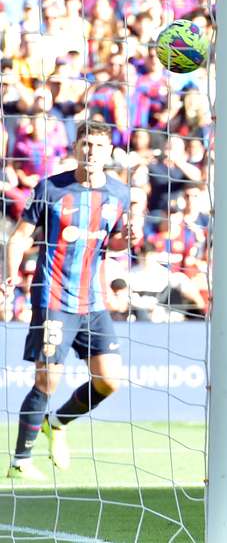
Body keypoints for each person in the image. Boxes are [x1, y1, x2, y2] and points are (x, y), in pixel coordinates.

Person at [3, 122, 137, 480]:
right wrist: (10, 274)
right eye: (85, 143)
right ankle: (20, 460)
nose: (91, 151)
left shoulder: (119, 194)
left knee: (109, 381)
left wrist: (129, 238)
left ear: (110, 151)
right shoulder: (51, 188)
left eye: (98, 145)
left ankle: (57, 422)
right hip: (54, 298)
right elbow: (19, 237)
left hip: (92, 302)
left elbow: (115, 243)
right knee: (47, 380)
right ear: (76, 147)